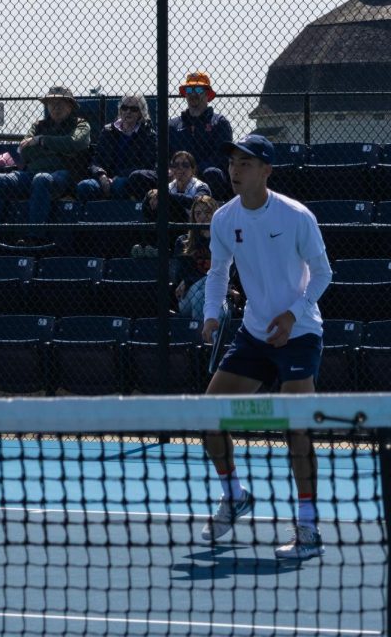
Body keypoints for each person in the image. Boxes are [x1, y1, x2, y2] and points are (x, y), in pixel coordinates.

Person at [198, 134, 333, 561]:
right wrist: (211, 315)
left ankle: (308, 527)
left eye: (247, 163)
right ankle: (234, 494)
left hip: (300, 332)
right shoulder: (223, 218)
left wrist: (294, 313)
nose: (237, 170)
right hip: (254, 333)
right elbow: (219, 272)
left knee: (296, 427)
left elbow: (323, 273)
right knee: (209, 416)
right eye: (234, 162)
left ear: (267, 171)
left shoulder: (296, 216)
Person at [0, 85, 91, 246]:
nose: (56, 106)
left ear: (70, 106)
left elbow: (75, 142)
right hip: (30, 174)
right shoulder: (38, 125)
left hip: (64, 175)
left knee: (42, 179)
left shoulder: (81, 125)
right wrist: (59, 149)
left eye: (61, 102)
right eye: (52, 102)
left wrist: (41, 141)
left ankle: (34, 238)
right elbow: (24, 151)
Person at [75, 94, 157, 202]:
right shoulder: (108, 131)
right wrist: (102, 175)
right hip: (105, 179)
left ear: (141, 113)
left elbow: (146, 165)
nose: (128, 111)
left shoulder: (148, 135)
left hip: (129, 180)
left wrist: (117, 177)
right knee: (84, 186)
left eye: (134, 109)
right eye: (124, 107)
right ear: (120, 110)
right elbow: (96, 161)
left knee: (119, 185)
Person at [169, 72, 233, 201]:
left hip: (205, 175)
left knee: (213, 173)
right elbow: (164, 155)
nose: (193, 93)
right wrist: (174, 170)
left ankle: (209, 212)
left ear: (207, 93)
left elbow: (221, 158)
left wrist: (191, 171)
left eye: (198, 89)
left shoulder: (219, 122)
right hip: (177, 175)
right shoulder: (172, 125)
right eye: (189, 89)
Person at [173, 194, 219, 320]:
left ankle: (199, 337)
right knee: (199, 295)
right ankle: (205, 338)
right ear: (193, 217)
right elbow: (180, 275)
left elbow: (231, 271)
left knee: (201, 296)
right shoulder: (184, 242)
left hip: (219, 295)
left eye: (208, 212)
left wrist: (189, 280)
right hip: (188, 296)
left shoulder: (224, 239)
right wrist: (188, 281)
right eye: (198, 214)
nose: (203, 217)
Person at [143, 151, 212, 223]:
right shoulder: (169, 187)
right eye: (175, 165)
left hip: (193, 228)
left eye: (185, 165)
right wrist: (152, 195)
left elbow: (197, 203)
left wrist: (166, 195)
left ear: (193, 169)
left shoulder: (201, 186)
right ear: (172, 169)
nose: (180, 168)